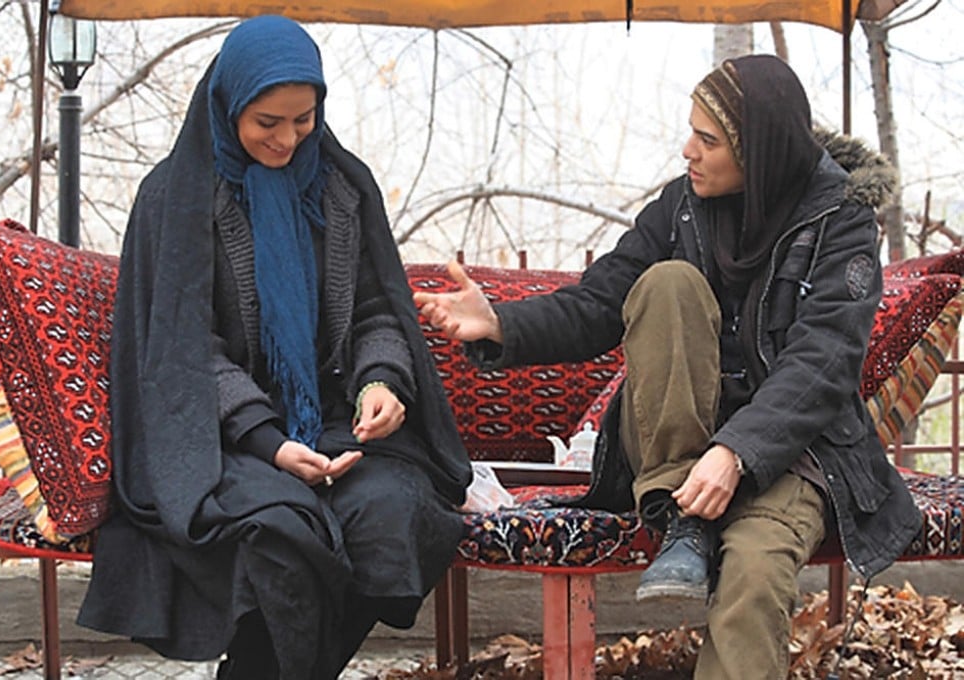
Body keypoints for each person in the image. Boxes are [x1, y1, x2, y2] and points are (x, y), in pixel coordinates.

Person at [414, 54, 922, 679]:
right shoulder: (681, 207)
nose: (688, 151)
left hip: (794, 450)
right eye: (690, 132)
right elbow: (602, 300)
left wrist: (736, 452)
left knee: (757, 570)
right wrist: (501, 323)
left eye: (707, 140)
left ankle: (704, 524)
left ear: (755, 150)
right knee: (667, 284)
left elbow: (824, 362)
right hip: (671, 453)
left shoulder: (841, 221)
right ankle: (682, 518)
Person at [76, 15, 471, 680]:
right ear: (228, 105)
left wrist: (381, 381)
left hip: (340, 426)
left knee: (389, 513)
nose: (288, 139)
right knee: (281, 530)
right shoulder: (172, 198)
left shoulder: (343, 187)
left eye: (304, 119)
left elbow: (377, 309)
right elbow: (182, 348)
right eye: (267, 122)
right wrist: (268, 441)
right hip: (218, 437)